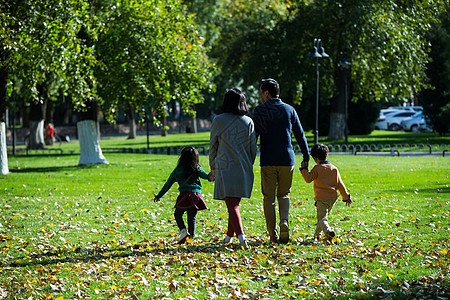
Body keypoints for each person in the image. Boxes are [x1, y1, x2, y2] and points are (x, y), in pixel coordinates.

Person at [252, 78, 310, 244]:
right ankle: (284, 221)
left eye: (261, 93)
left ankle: (273, 234)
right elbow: (300, 135)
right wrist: (306, 157)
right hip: (287, 159)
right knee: (284, 194)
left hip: (268, 159)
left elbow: (254, 137)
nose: (260, 96)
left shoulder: (260, 110)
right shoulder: (289, 110)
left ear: (267, 93)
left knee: (268, 198)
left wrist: (249, 157)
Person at [209, 88, 257, 249]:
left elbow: (213, 145)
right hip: (243, 168)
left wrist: (212, 165)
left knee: (232, 204)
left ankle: (242, 240)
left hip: (225, 167)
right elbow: (253, 149)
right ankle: (228, 237)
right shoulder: (248, 121)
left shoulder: (218, 120)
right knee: (233, 203)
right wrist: (248, 164)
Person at [153, 146, 214, 244]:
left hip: (184, 196)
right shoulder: (196, 168)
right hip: (196, 197)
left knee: (178, 214)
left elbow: (168, 184)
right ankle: (191, 238)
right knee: (192, 218)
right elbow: (206, 176)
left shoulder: (177, 171)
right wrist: (211, 176)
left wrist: (159, 195)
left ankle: (183, 231)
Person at [299, 144, 352, 242]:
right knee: (321, 217)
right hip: (332, 199)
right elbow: (340, 184)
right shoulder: (334, 168)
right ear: (326, 155)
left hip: (321, 198)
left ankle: (328, 231)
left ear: (315, 159)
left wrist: (304, 169)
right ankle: (317, 236)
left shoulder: (317, 168)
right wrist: (346, 197)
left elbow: (308, 179)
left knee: (321, 219)